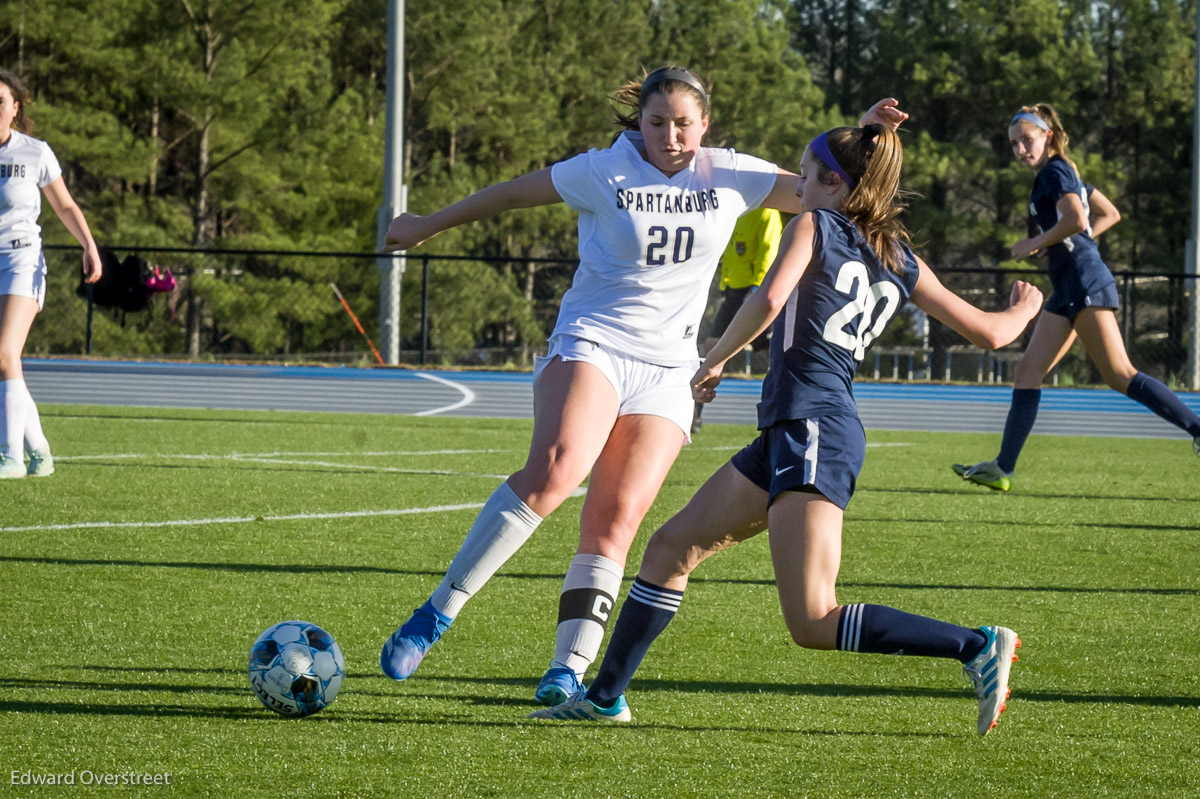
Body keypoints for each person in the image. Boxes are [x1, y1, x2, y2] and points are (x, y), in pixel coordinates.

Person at [377, 64, 908, 705]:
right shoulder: (601, 169)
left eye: (685, 123)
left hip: (669, 370)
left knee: (618, 518)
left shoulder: (733, 172)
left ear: (705, 124)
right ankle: (437, 614)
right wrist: (428, 223)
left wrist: (872, 141)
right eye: (657, 122)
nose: (671, 136)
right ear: (640, 122)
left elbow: (838, 192)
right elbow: (512, 195)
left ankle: (566, 672)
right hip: (594, 342)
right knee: (555, 471)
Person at [529, 122, 1043, 736]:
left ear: (831, 182)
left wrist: (716, 356)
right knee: (671, 549)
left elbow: (771, 299)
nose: (795, 186)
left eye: (804, 175)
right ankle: (605, 695)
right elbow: (991, 333)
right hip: (791, 431)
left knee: (812, 620)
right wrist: (1024, 310)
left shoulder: (814, 224)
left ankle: (975, 645)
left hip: (814, 428)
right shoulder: (894, 253)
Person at [953, 104, 1200, 491]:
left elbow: (1078, 221)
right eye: (1014, 144)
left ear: (1047, 135)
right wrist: (1058, 243)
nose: (1020, 149)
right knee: (1027, 372)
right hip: (1067, 287)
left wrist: (1038, 241)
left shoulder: (1055, 170)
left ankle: (1198, 429)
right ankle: (1003, 467)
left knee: (1120, 374)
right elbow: (1108, 214)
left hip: (1084, 282)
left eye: (1026, 140)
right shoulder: (1063, 173)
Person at [0, 69, 101, 479]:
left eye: (0, 102)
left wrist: (89, 246)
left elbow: (65, 206)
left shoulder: (34, 152)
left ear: (15, 107)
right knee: (8, 362)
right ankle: (39, 449)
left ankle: (10, 457)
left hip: (22, 261)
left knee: (5, 352)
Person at [690, 205, 783, 434]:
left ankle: (783, 404)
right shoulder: (736, 209)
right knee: (710, 348)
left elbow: (768, 251)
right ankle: (694, 416)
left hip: (754, 292)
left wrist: (756, 289)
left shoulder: (768, 212)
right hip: (732, 290)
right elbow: (729, 250)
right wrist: (724, 289)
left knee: (774, 351)